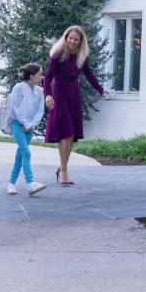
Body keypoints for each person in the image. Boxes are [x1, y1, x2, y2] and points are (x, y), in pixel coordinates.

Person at [44, 25, 107, 185]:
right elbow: (48, 77)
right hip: (59, 94)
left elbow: (89, 74)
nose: (72, 41)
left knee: (71, 134)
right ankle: (64, 171)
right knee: (65, 132)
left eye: (76, 39)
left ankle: (62, 166)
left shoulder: (82, 56)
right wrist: (47, 95)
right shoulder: (58, 54)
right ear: (66, 38)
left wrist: (101, 90)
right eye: (70, 38)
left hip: (74, 94)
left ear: (80, 41)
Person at [6, 63, 47, 196]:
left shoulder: (40, 91)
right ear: (31, 76)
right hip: (17, 124)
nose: (42, 77)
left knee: (20, 154)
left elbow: (40, 111)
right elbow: (14, 109)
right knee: (26, 153)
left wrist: (30, 125)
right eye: (40, 74)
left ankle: (11, 183)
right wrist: (24, 123)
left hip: (29, 127)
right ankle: (30, 184)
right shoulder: (18, 88)